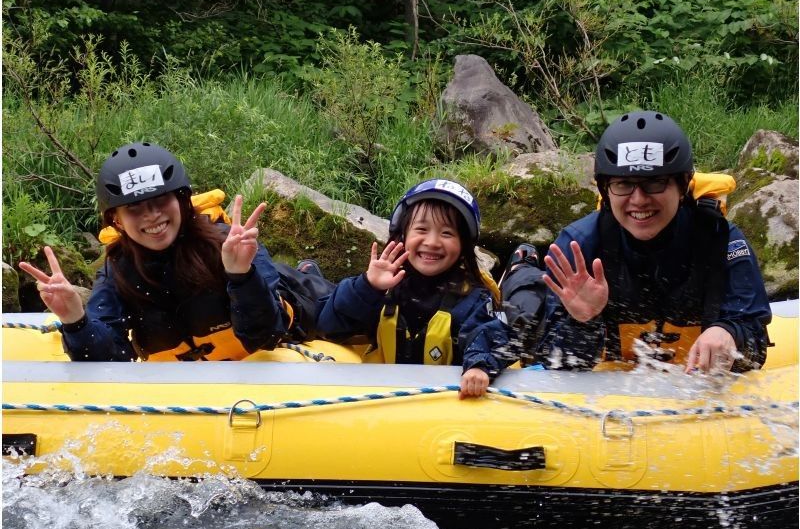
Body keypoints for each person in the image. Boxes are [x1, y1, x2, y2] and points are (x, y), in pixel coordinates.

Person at [19, 141, 306, 361]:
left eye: (160, 200)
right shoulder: (118, 270)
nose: (152, 216)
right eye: (134, 208)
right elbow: (108, 363)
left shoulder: (230, 244)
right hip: (181, 393)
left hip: (256, 370)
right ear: (116, 219)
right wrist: (75, 320)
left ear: (182, 200)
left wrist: (241, 276)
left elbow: (267, 335)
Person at [535, 110, 771, 372]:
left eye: (655, 183)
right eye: (623, 184)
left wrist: (729, 332)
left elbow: (755, 345)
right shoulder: (578, 248)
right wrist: (582, 321)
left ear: (682, 186)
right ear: (605, 190)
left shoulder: (723, 242)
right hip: (613, 394)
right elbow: (555, 365)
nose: (638, 200)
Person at [315, 179, 515, 398]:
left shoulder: (473, 298)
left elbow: (489, 332)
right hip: (379, 402)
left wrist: (478, 365)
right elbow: (330, 327)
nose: (432, 242)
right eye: (421, 229)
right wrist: (367, 287)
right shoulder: (381, 288)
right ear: (403, 235)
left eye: (447, 233)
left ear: (463, 245)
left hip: (443, 408)